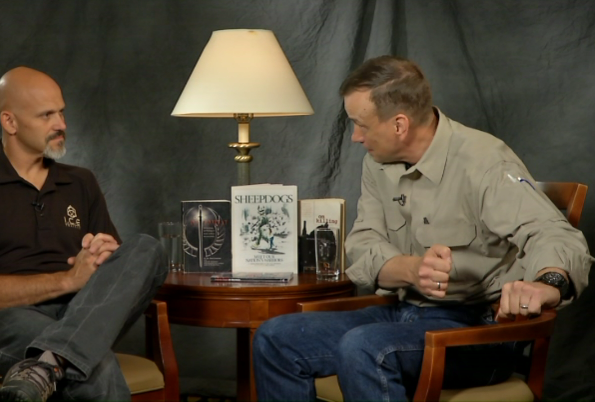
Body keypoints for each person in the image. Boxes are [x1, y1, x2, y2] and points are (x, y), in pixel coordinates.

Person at [252, 55, 592, 401]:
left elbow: (553, 232)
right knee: (276, 337)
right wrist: (412, 270)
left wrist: (547, 282)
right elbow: (363, 242)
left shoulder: (484, 161)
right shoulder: (377, 164)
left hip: (478, 331)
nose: (355, 137)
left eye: (362, 125)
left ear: (399, 124)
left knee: (364, 348)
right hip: (404, 315)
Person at [0, 66, 168, 402]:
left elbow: (113, 271)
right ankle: (58, 358)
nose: (61, 124)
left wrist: (103, 255)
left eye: (61, 112)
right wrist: (68, 280)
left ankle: (47, 364)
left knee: (147, 248)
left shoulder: (80, 182)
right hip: (5, 322)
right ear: (10, 122)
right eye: (47, 115)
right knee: (94, 370)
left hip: (82, 312)